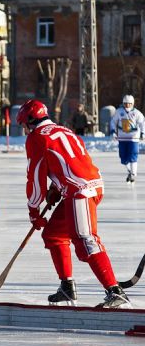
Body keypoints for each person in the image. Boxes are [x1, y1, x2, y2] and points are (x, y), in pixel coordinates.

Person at [17, 99, 131, 309]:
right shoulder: (65, 130)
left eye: (24, 124)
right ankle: (67, 287)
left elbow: (35, 177)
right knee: (54, 234)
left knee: (85, 240)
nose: (24, 130)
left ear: (31, 121)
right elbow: (71, 163)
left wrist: (34, 210)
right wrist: (56, 189)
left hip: (80, 191)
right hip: (86, 186)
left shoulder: (37, 138)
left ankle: (115, 291)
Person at [110, 94, 145, 183]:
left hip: (133, 138)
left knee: (133, 155)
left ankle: (133, 174)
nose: (127, 105)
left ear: (132, 104)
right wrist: (113, 131)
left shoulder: (137, 113)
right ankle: (129, 171)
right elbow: (113, 122)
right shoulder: (119, 112)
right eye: (125, 104)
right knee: (123, 157)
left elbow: (142, 123)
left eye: (129, 104)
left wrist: (142, 133)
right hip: (122, 138)